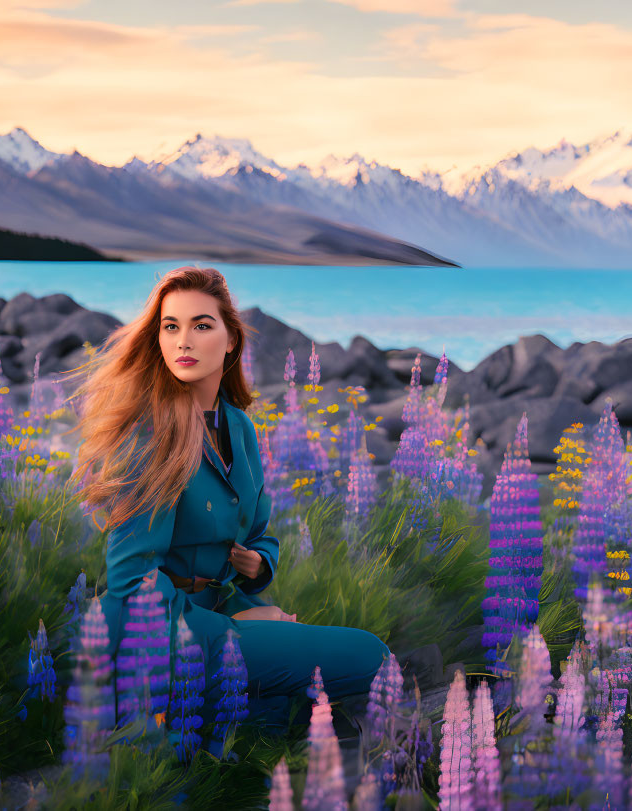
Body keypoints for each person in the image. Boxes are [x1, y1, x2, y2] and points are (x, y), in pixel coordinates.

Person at [61, 265, 391, 737]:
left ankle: (225, 717)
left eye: (201, 325)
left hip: (218, 612)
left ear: (231, 339)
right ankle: (182, 713)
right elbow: (132, 581)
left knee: (344, 665)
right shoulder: (148, 435)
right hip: (157, 634)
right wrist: (239, 628)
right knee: (371, 657)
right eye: (170, 327)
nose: (183, 341)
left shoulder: (238, 427)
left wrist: (259, 566)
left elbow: (258, 532)